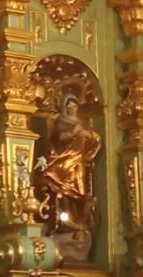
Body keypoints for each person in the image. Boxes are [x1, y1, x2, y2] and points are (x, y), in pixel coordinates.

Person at [33, 93, 102, 261]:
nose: (72, 109)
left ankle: (78, 222)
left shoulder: (84, 123)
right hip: (65, 161)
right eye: (69, 107)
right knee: (61, 188)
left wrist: (89, 135)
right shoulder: (60, 122)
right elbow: (58, 138)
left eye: (74, 106)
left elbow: (93, 139)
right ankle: (65, 223)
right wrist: (73, 132)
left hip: (78, 162)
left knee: (80, 193)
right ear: (65, 108)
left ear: (77, 107)